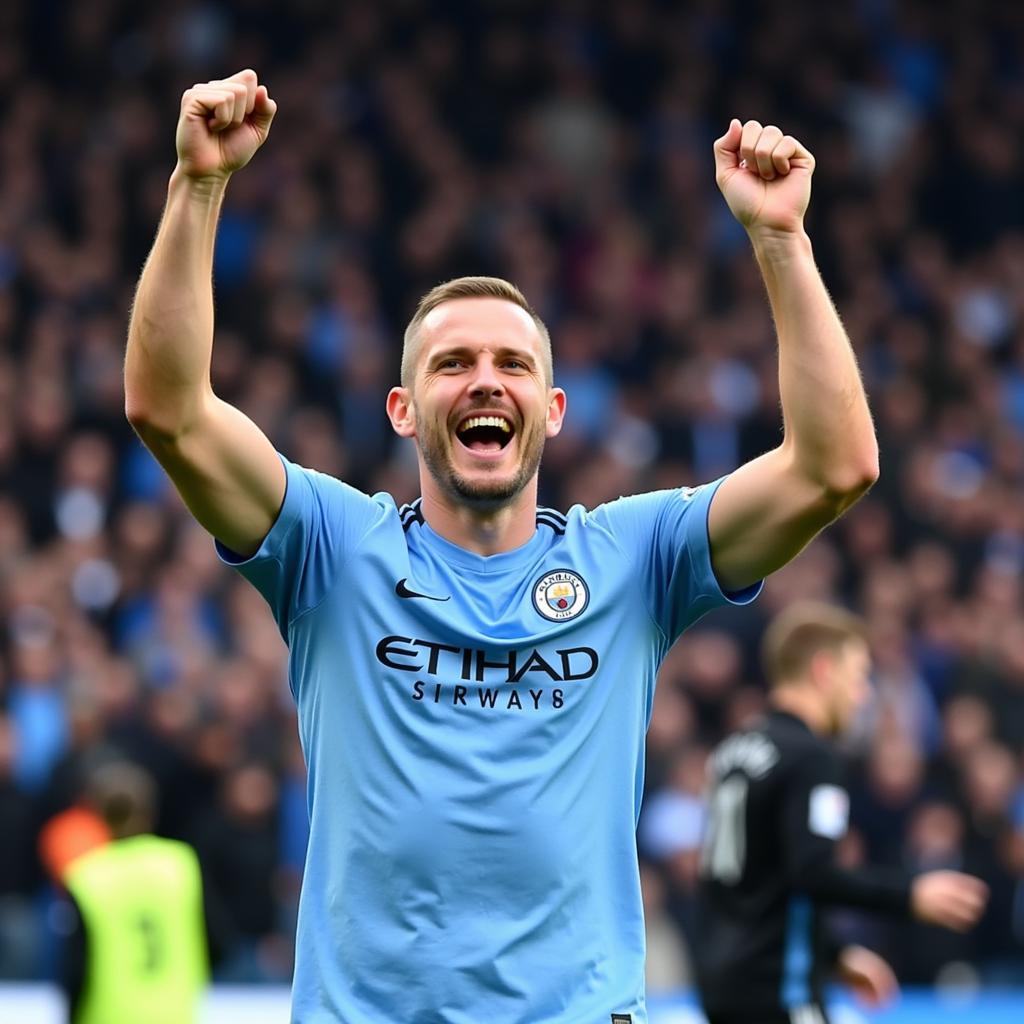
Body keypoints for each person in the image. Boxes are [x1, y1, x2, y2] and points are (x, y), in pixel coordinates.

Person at [125, 68, 880, 1023]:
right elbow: (170, 412)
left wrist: (781, 241)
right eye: (453, 364)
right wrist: (197, 188)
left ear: (554, 412)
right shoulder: (332, 548)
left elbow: (835, 467)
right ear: (402, 409)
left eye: (513, 364)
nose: (486, 382)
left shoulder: (635, 561)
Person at [694, 602, 989, 1024]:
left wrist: (835, 953)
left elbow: (752, 881)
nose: (863, 694)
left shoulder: (732, 751)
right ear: (823, 671)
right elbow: (813, 872)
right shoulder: (812, 757)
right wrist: (910, 896)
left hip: (722, 984)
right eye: (857, 676)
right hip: (780, 988)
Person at [58, 761, 209, 1024]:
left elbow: (75, 970)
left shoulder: (86, 877)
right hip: (175, 1015)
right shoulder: (181, 865)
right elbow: (215, 941)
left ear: (99, 815)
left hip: (108, 1016)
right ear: (150, 812)